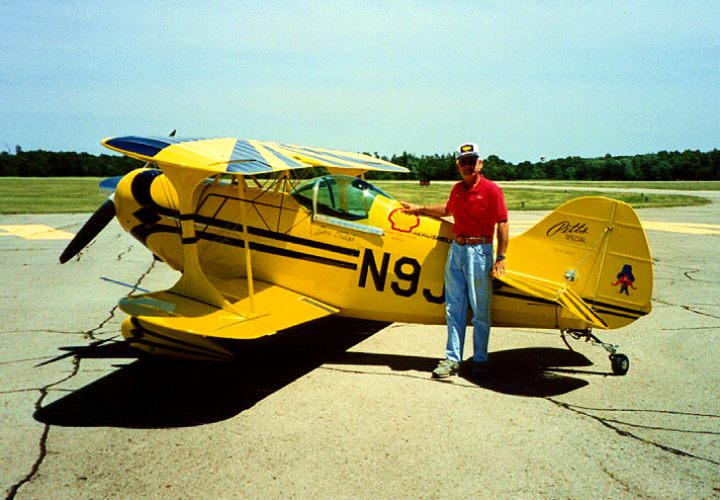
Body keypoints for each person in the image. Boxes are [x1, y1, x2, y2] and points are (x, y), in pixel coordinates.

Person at [401, 143, 509, 379]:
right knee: (453, 309)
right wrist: (419, 209)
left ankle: (480, 360)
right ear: (458, 165)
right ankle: (452, 360)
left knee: (480, 310)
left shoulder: (492, 190)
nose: (468, 166)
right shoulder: (457, 189)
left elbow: (502, 222)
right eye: (463, 162)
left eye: (472, 161)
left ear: (480, 164)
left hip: (479, 251)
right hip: (456, 250)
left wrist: (500, 257)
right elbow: (448, 209)